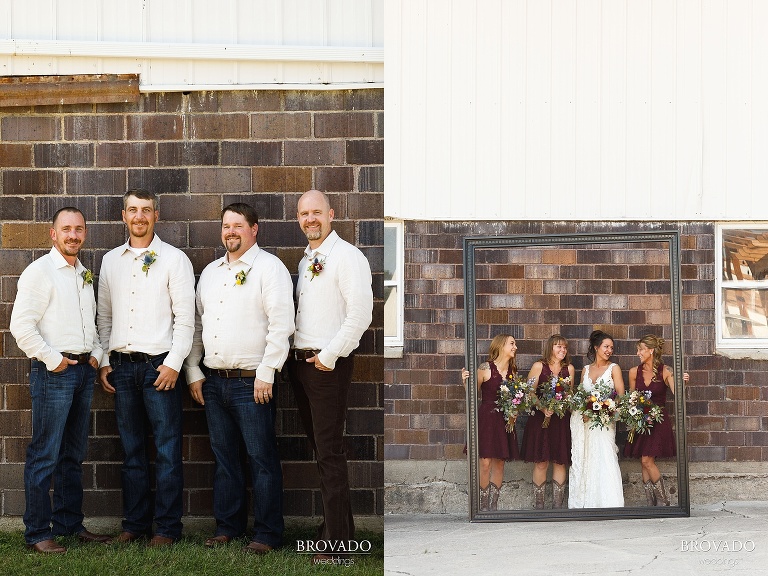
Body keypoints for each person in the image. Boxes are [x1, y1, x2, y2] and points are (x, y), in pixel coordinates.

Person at [184, 203, 294, 553]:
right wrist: (193, 370)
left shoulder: (269, 268)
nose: (230, 231)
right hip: (214, 383)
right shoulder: (212, 272)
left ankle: (266, 534)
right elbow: (199, 326)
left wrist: (267, 373)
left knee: (261, 459)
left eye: (238, 225)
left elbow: (282, 325)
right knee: (225, 459)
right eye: (225, 226)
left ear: (254, 229)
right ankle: (227, 527)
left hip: (252, 383)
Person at [10, 207, 112, 554]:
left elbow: (91, 325)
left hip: (83, 372)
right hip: (54, 373)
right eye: (66, 229)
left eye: (79, 229)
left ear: (84, 234)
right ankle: (38, 533)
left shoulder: (83, 273)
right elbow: (21, 328)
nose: (73, 235)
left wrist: (97, 354)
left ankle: (70, 525)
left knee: (73, 454)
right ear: (53, 234)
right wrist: (54, 362)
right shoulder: (40, 272)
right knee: (45, 454)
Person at [97, 189, 195, 547]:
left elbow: (186, 319)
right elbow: (104, 317)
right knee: (132, 452)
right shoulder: (110, 261)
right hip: (122, 370)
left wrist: (173, 364)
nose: (140, 216)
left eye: (147, 210)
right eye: (133, 210)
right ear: (123, 216)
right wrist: (106, 362)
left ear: (157, 215)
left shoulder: (174, 259)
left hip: (160, 369)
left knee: (168, 450)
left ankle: (167, 529)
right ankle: (134, 525)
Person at [287, 190, 373, 558]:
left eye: (317, 212)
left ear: (331, 214)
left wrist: (328, 356)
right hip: (302, 366)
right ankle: (340, 529)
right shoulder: (307, 259)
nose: (311, 219)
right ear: (298, 219)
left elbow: (361, 314)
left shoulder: (348, 257)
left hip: (327, 369)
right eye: (304, 214)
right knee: (323, 451)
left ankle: (337, 544)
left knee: (330, 454)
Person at [623, 334, 689, 506]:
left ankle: (663, 500)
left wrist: (682, 383)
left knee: (647, 460)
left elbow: (677, 395)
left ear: (650, 351)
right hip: (641, 421)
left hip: (658, 421)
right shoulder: (633, 372)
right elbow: (632, 397)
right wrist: (633, 416)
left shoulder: (666, 371)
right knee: (643, 461)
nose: (638, 353)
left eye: (641, 350)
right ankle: (650, 502)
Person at [460, 334, 522, 511]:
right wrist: (465, 381)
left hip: (505, 419)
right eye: (512, 343)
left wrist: (515, 411)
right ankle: (483, 505)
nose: (515, 347)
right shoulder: (485, 368)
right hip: (487, 418)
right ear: (501, 345)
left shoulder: (513, 372)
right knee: (485, 461)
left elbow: (517, 398)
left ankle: (494, 505)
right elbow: (472, 394)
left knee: (500, 461)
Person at [569, 330, 625, 508]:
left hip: (605, 421)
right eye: (606, 347)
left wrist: (604, 408)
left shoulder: (614, 368)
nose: (609, 350)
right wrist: (582, 407)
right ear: (596, 348)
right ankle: (587, 502)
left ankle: (610, 503)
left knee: (605, 456)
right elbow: (580, 394)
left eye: (611, 348)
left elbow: (620, 396)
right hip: (585, 422)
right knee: (587, 457)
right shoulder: (585, 369)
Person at [520, 334, 575, 509]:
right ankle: (539, 505)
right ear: (550, 348)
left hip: (560, 419)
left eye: (565, 347)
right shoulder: (539, 366)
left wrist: (565, 403)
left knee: (560, 460)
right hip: (540, 419)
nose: (562, 350)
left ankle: (557, 506)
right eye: (559, 346)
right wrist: (543, 408)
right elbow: (529, 392)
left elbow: (569, 393)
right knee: (541, 461)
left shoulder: (570, 369)